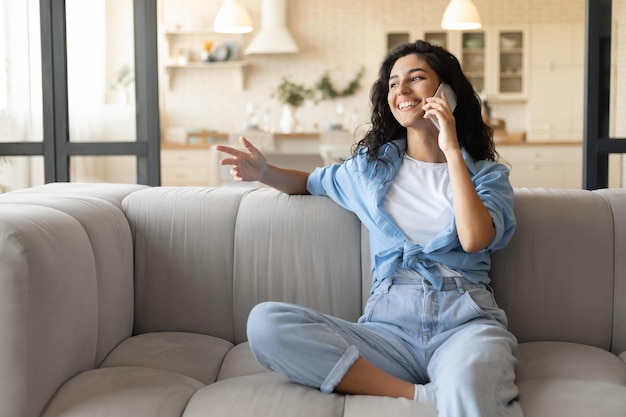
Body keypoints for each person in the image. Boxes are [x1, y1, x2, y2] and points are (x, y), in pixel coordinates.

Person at [216, 40, 522, 417]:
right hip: (388, 330)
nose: (402, 90)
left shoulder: (488, 176)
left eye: (416, 78)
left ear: (448, 92)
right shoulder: (370, 169)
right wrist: (262, 172)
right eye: (393, 83)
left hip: (465, 322)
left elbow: (475, 239)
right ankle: (417, 396)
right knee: (266, 323)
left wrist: (452, 148)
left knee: (470, 384)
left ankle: (450, 386)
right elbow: (311, 181)